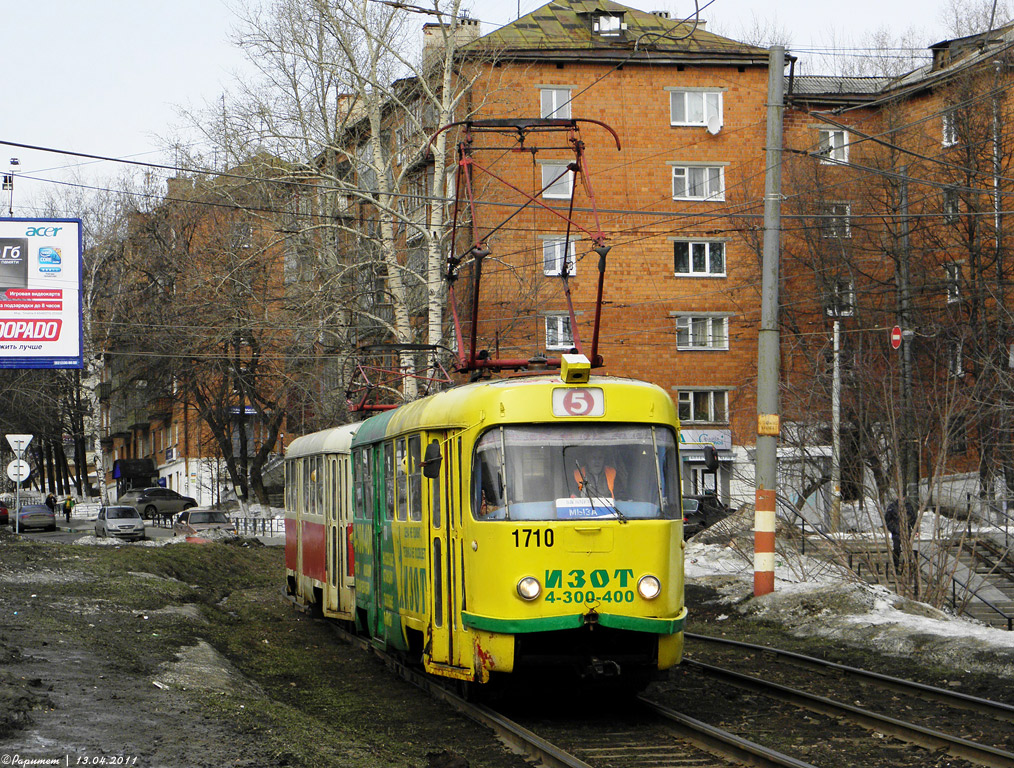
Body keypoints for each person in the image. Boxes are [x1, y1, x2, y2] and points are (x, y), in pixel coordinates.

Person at [885, 497, 917, 568]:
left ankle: (906, 566)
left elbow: (913, 519)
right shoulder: (892, 506)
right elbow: (887, 519)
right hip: (896, 532)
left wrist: (915, 529)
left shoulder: (908, 506)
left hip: (906, 531)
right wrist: (893, 528)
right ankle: (896, 567)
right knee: (896, 549)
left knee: (907, 549)